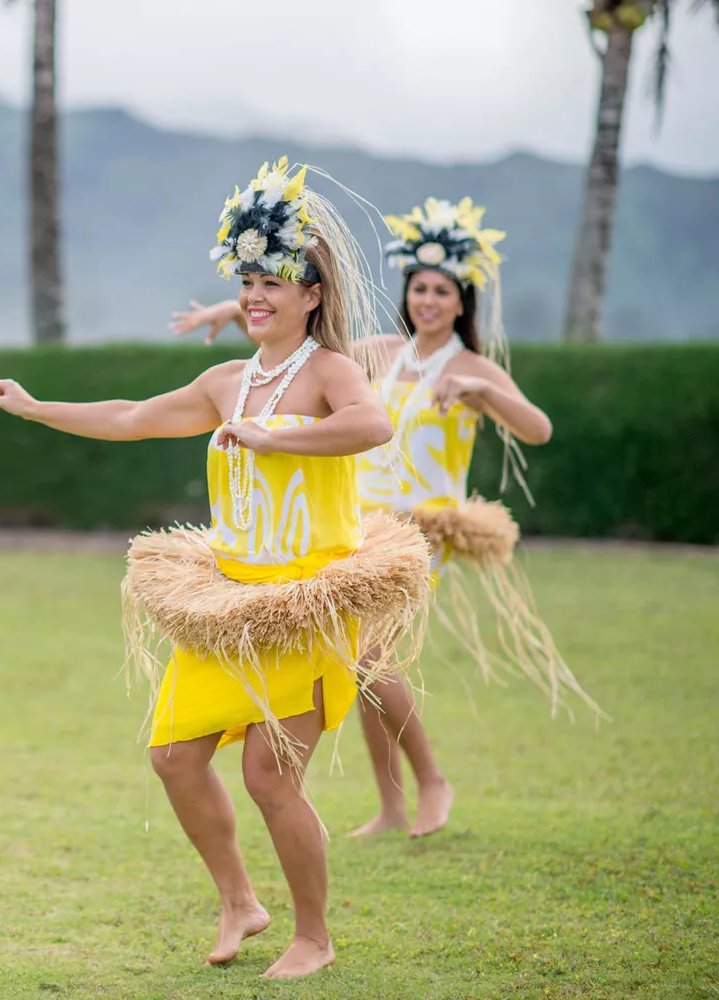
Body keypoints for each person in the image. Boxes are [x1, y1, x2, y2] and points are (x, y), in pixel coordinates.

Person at [0, 159, 432, 979]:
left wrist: (277, 436)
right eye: (248, 281)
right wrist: (36, 405)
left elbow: (372, 428)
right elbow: (130, 416)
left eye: (274, 282)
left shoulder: (331, 373)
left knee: (268, 774)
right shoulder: (228, 381)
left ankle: (313, 936)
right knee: (173, 758)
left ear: (312, 295)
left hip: (308, 606)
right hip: (231, 603)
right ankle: (238, 900)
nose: (256, 295)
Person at [173, 196, 600, 839]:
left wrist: (483, 392)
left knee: (367, 652)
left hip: (422, 534)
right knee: (363, 662)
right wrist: (228, 310)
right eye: (418, 288)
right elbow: (292, 344)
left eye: (441, 291)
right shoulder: (380, 352)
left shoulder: (470, 367)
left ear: (462, 303)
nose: (427, 300)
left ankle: (431, 779)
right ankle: (392, 805)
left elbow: (537, 429)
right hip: (362, 526)